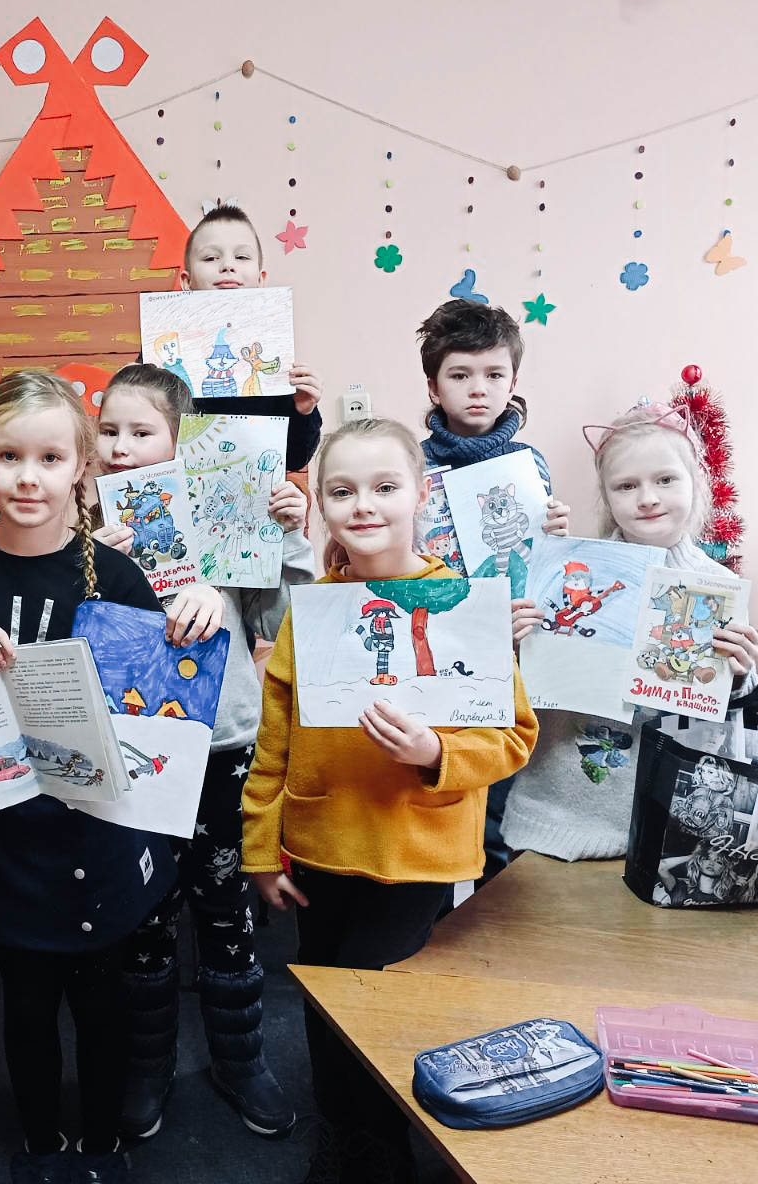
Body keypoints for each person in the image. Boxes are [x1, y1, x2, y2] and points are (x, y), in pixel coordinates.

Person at [0, 370, 206, 1184]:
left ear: (82, 466)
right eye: (8, 456)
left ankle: (104, 1146)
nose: (28, 477)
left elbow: (159, 704)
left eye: (50, 458)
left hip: (94, 834)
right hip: (5, 835)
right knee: (26, 1004)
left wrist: (204, 608)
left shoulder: (115, 576)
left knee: (102, 1002)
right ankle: (42, 1145)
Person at [241, 417, 538, 1184]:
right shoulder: (312, 612)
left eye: (384, 486)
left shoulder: (463, 604)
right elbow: (272, 746)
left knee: (377, 1014)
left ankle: (383, 1153)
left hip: (416, 856)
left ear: (421, 494)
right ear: (321, 504)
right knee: (324, 1004)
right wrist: (261, 853)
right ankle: (343, 1141)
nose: (363, 505)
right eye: (342, 491)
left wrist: (436, 752)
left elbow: (513, 738)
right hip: (320, 849)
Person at [92, 363, 314, 1141]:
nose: (121, 447)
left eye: (140, 431)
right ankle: (147, 1067)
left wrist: (287, 531)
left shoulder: (227, 511)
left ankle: (241, 1060)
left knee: (225, 908)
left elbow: (284, 622)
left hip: (223, 745)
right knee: (145, 914)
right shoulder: (81, 532)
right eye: (108, 431)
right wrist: (98, 571)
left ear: (180, 442)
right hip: (132, 750)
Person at [503, 402, 758, 861]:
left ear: (696, 483)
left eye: (665, 480)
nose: (647, 498)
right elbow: (524, 693)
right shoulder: (569, 573)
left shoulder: (717, 586)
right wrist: (520, 646)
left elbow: (729, 720)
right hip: (554, 818)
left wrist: (739, 673)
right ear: (606, 497)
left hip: (667, 833)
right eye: (626, 485)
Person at [414, 300, 568, 882]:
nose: (478, 388)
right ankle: (432, 906)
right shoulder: (412, 465)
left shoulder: (530, 465)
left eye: (493, 374)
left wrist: (556, 536)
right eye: (460, 374)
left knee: (496, 799)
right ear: (434, 387)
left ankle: (488, 907)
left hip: (509, 652)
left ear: (513, 381)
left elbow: (544, 567)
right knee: (433, 788)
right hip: (433, 645)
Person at [175, 203, 323, 473]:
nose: (227, 266)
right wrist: (131, 388)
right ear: (187, 281)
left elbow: (295, 458)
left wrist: (303, 410)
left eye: (242, 257)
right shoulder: (166, 348)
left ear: (260, 279)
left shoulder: (272, 356)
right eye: (210, 258)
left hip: (256, 490)